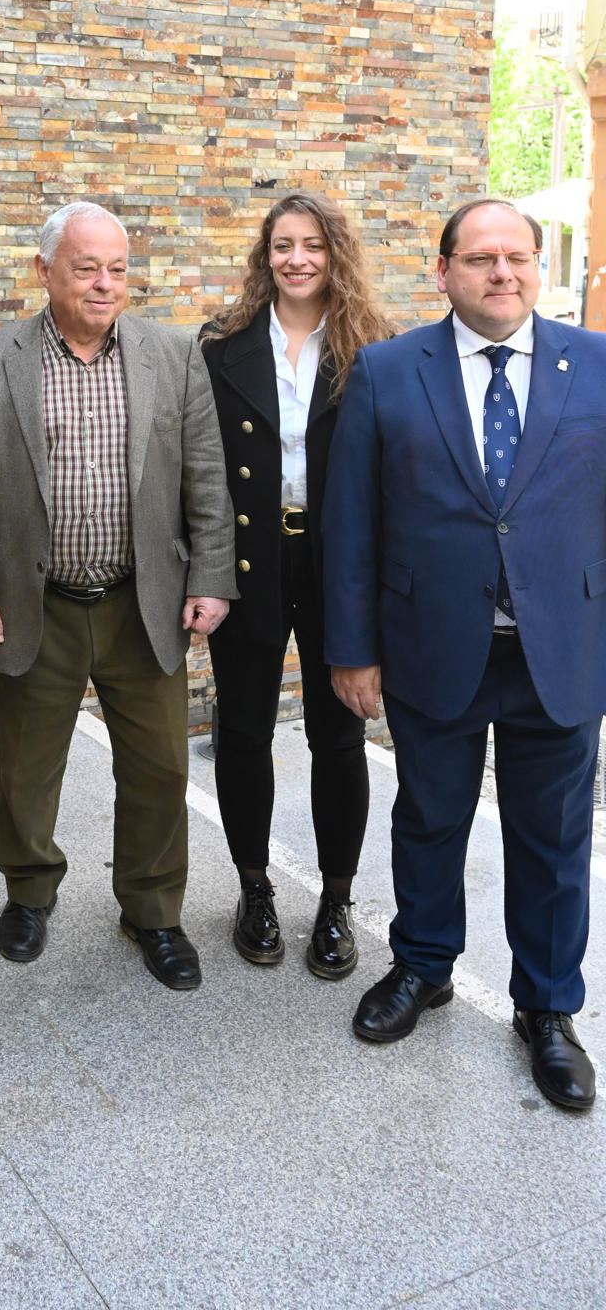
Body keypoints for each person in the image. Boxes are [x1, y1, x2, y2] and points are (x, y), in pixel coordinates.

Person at [324, 197, 606, 1111]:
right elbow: (351, 527)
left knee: (554, 842)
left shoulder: (597, 367)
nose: (503, 273)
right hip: (431, 648)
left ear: (537, 266)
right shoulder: (386, 372)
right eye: (481, 259)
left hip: (559, 653)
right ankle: (423, 966)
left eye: (517, 257)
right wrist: (352, 651)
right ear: (442, 270)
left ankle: (549, 1011)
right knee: (430, 819)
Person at [0, 201, 234, 989]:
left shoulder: (174, 356)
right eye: (86, 267)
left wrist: (212, 577)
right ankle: (29, 892)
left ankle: (152, 909)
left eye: (117, 267)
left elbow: (206, 478)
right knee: (27, 766)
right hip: (32, 599)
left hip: (142, 602)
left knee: (157, 767)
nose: (105, 283)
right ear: (44, 272)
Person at [200, 192, 391, 978]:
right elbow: (201, 471)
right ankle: (254, 889)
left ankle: (337, 901)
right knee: (242, 730)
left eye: (312, 245)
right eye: (283, 245)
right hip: (249, 559)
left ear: (333, 253)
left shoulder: (374, 349)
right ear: (265, 255)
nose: (298, 259)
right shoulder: (223, 346)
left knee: (337, 733)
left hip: (335, 560)